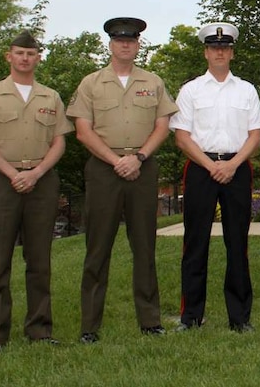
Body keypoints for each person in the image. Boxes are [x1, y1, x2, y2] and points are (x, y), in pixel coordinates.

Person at [66, 17, 178, 343]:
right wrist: (117, 161)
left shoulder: (153, 82)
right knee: (97, 249)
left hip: (142, 167)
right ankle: (90, 326)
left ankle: (150, 320)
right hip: (104, 169)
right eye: (119, 40)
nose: (125, 45)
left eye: (131, 40)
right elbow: (83, 131)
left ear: (138, 44)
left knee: (145, 246)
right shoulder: (91, 83)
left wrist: (139, 158)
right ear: (110, 45)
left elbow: (162, 125)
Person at [0, 31, 73, 357]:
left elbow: (59, 142)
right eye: (19, 53)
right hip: (1, 181)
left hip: (42, 182)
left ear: (39, 58)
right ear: (8, 57)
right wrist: (14, 174)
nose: (25, 58)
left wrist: (36, 173)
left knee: (39, 261)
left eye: (31, 53)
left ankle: (40, 330)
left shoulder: (50, 97)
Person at [169, 23, 260, 333]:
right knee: (195, 242)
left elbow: (256, 135)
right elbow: (182, 138)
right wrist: (211, 167)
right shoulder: (191, 90)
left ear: (232, 53)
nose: (220, 52)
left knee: (237, 243)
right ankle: (191, 317)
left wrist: (233, 164)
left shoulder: (247, 90)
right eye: (214, 48)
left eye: (225, 48)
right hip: (200, 167)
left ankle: (239, 317)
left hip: (237, 167)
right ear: (206, 53)